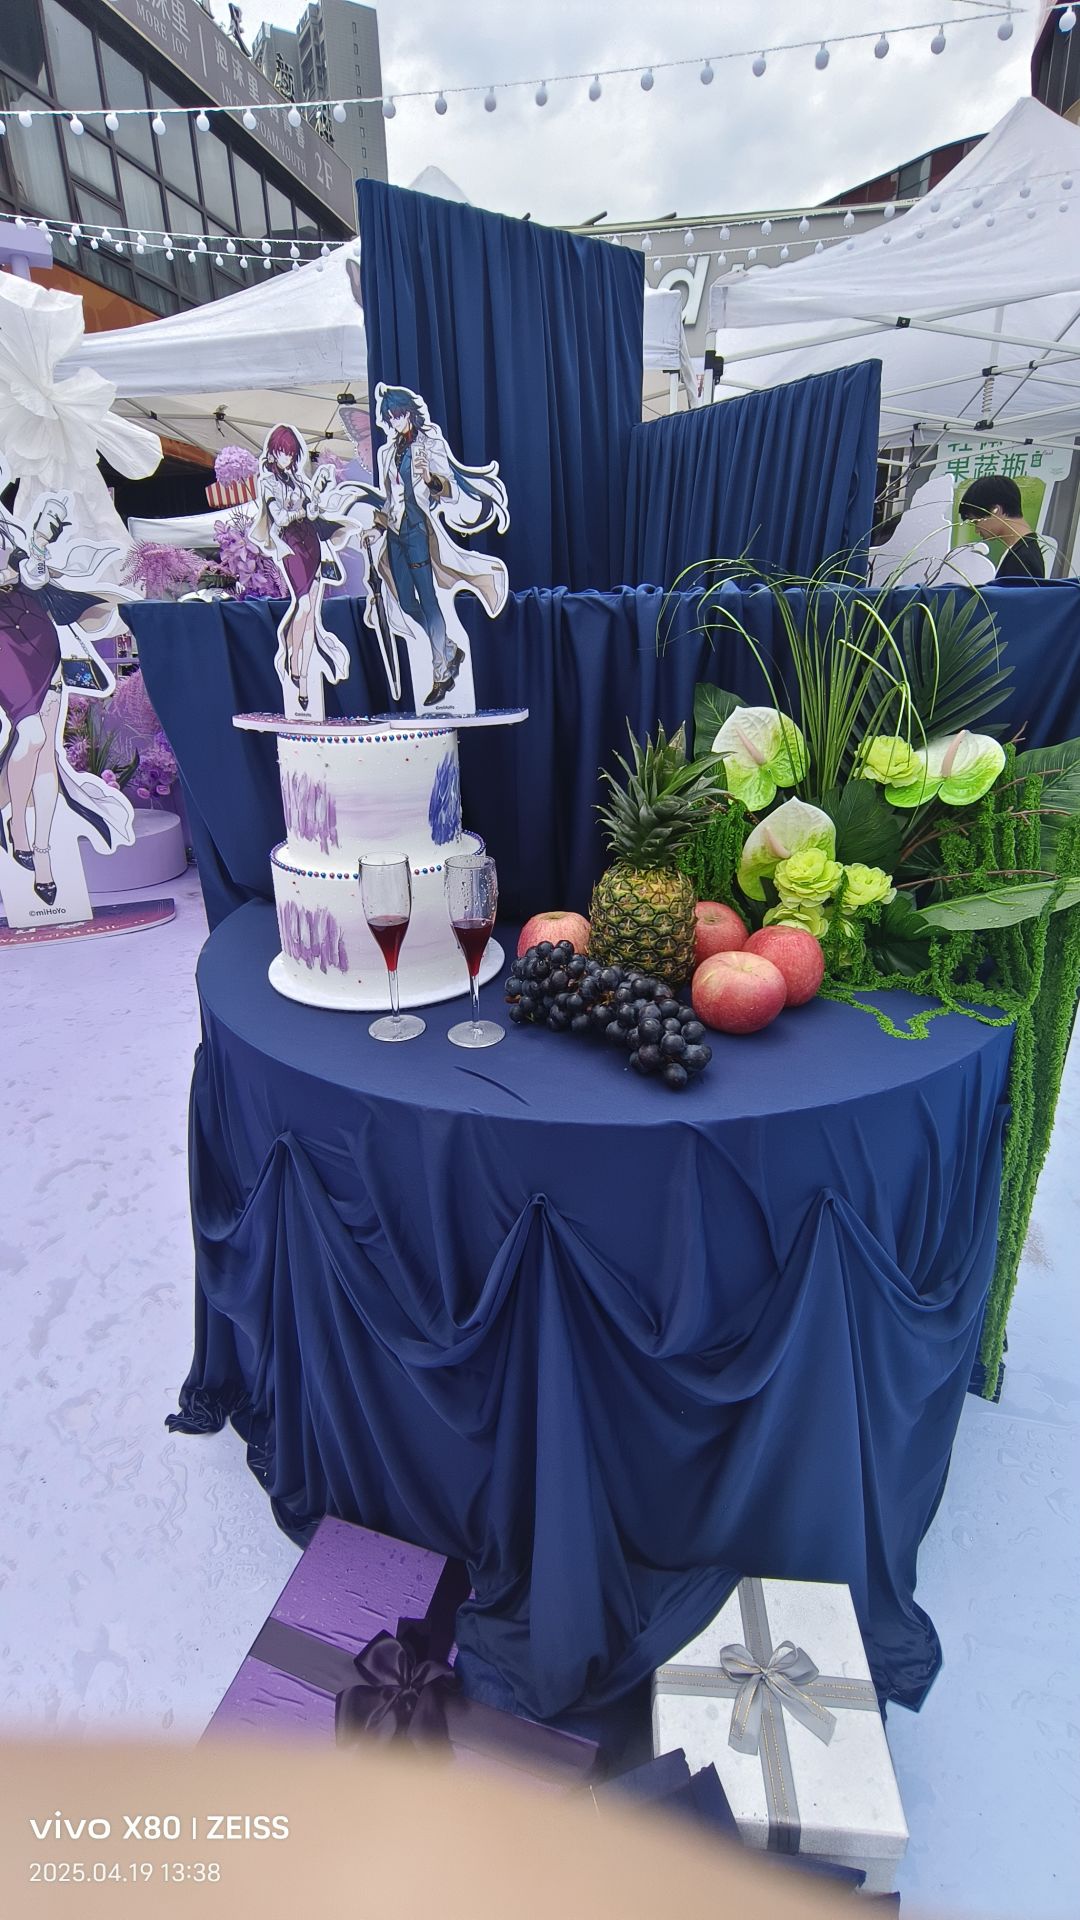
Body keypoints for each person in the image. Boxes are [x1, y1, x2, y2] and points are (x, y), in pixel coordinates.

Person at [0, 500, 132, 905]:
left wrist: (40, 541)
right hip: (3, 639)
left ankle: (42, 857)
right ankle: (17, 827)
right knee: (32, 736)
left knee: (46, 756)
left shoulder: (10, 527)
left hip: (38, 631)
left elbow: (35, 575)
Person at [367, 387, 509, 708]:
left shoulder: (430, 444)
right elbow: (389, 497)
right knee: (406, 602)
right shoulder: (387, 452)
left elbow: (447, 489)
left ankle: (441, 673)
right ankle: (447, 648)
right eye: (390, 418)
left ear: (409, 413)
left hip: (419, 530)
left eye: (398, 415)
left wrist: (429, 477)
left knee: (429, 600)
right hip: (395, 533)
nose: (395, 422)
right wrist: (375, 526)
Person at [251, 425, 355, 711]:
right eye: (281, 452)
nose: (286, 458)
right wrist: (301, 509)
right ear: (273, 453)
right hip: (290, 544)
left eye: (290, 453)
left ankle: (303, 681)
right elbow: (280, 518)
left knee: (311, 616)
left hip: (311, 541)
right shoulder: (268, 482)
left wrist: (315, 497)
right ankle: (294, 664)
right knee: (304, 605)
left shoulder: (300, 480)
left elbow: (312, 511)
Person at [958, 474, 1046, 580]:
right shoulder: (1020, 551)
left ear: (995, 510)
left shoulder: (1022, 559)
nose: (977, 530)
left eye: (976, 521)